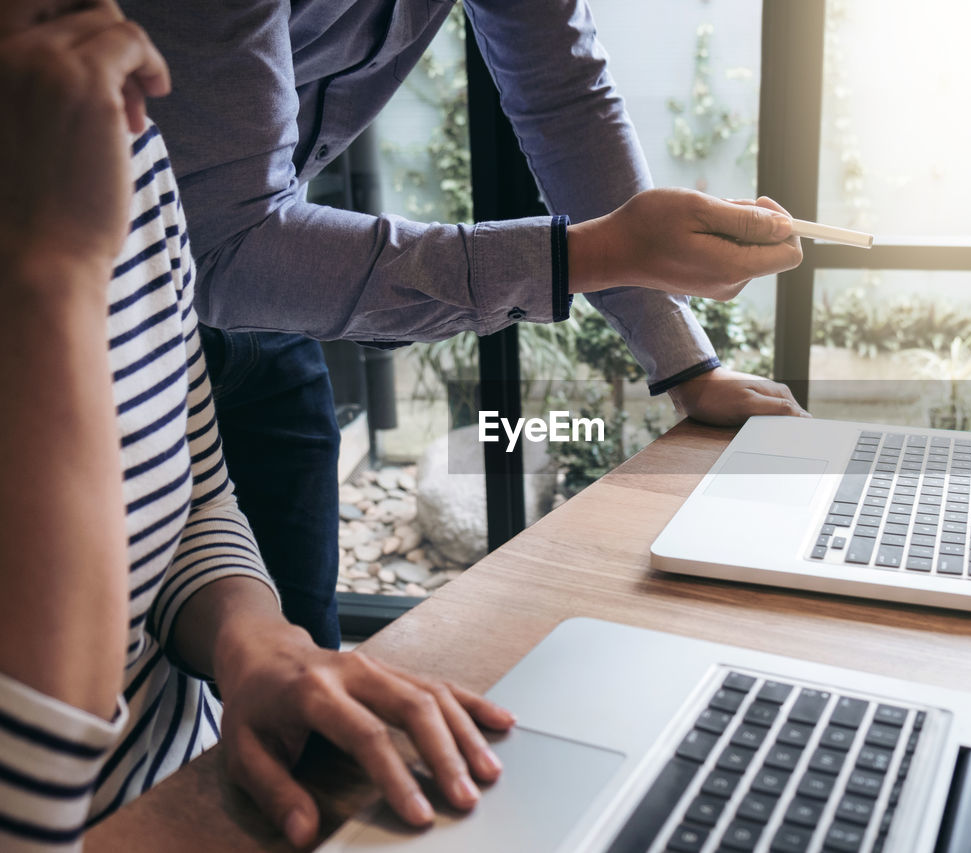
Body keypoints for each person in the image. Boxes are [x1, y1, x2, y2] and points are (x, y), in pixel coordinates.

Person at [120, 0, 808, 650]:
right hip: (103, 325)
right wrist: (592, 254)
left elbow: (565, 98)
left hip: (266, 320)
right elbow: (225, 245)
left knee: (301, 668)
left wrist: (687, 362)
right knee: (128, 667)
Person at [0, 3, 515, 849]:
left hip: (203, 787)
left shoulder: (119, 145)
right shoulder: (65, 183)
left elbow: (194, 494)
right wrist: (54, 272)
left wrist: (256, 645)